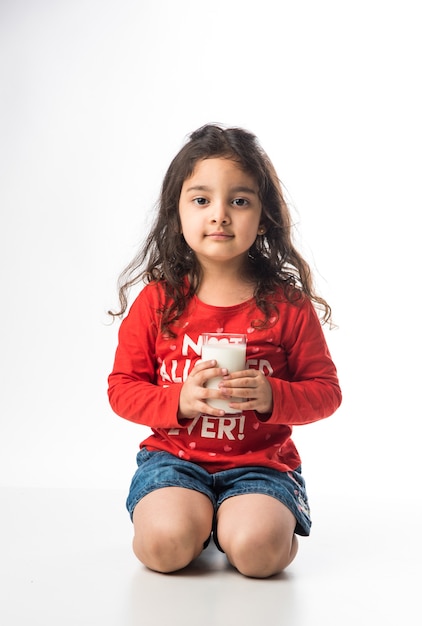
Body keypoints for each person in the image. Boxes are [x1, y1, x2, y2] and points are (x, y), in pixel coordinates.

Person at [107, 123, 342, 578]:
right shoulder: (157, 300)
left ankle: (237, 524)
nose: (220, 215)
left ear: (264, 216)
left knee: (258, 555)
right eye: (201, 200)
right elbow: (122, 388)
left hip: (261, 466)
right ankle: (196, 522)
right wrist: (178, 399)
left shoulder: (287, 306)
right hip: (174, 461)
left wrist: (273, 394)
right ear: (176, 214)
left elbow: (326, 391)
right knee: (163, 547)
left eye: (239, 200)